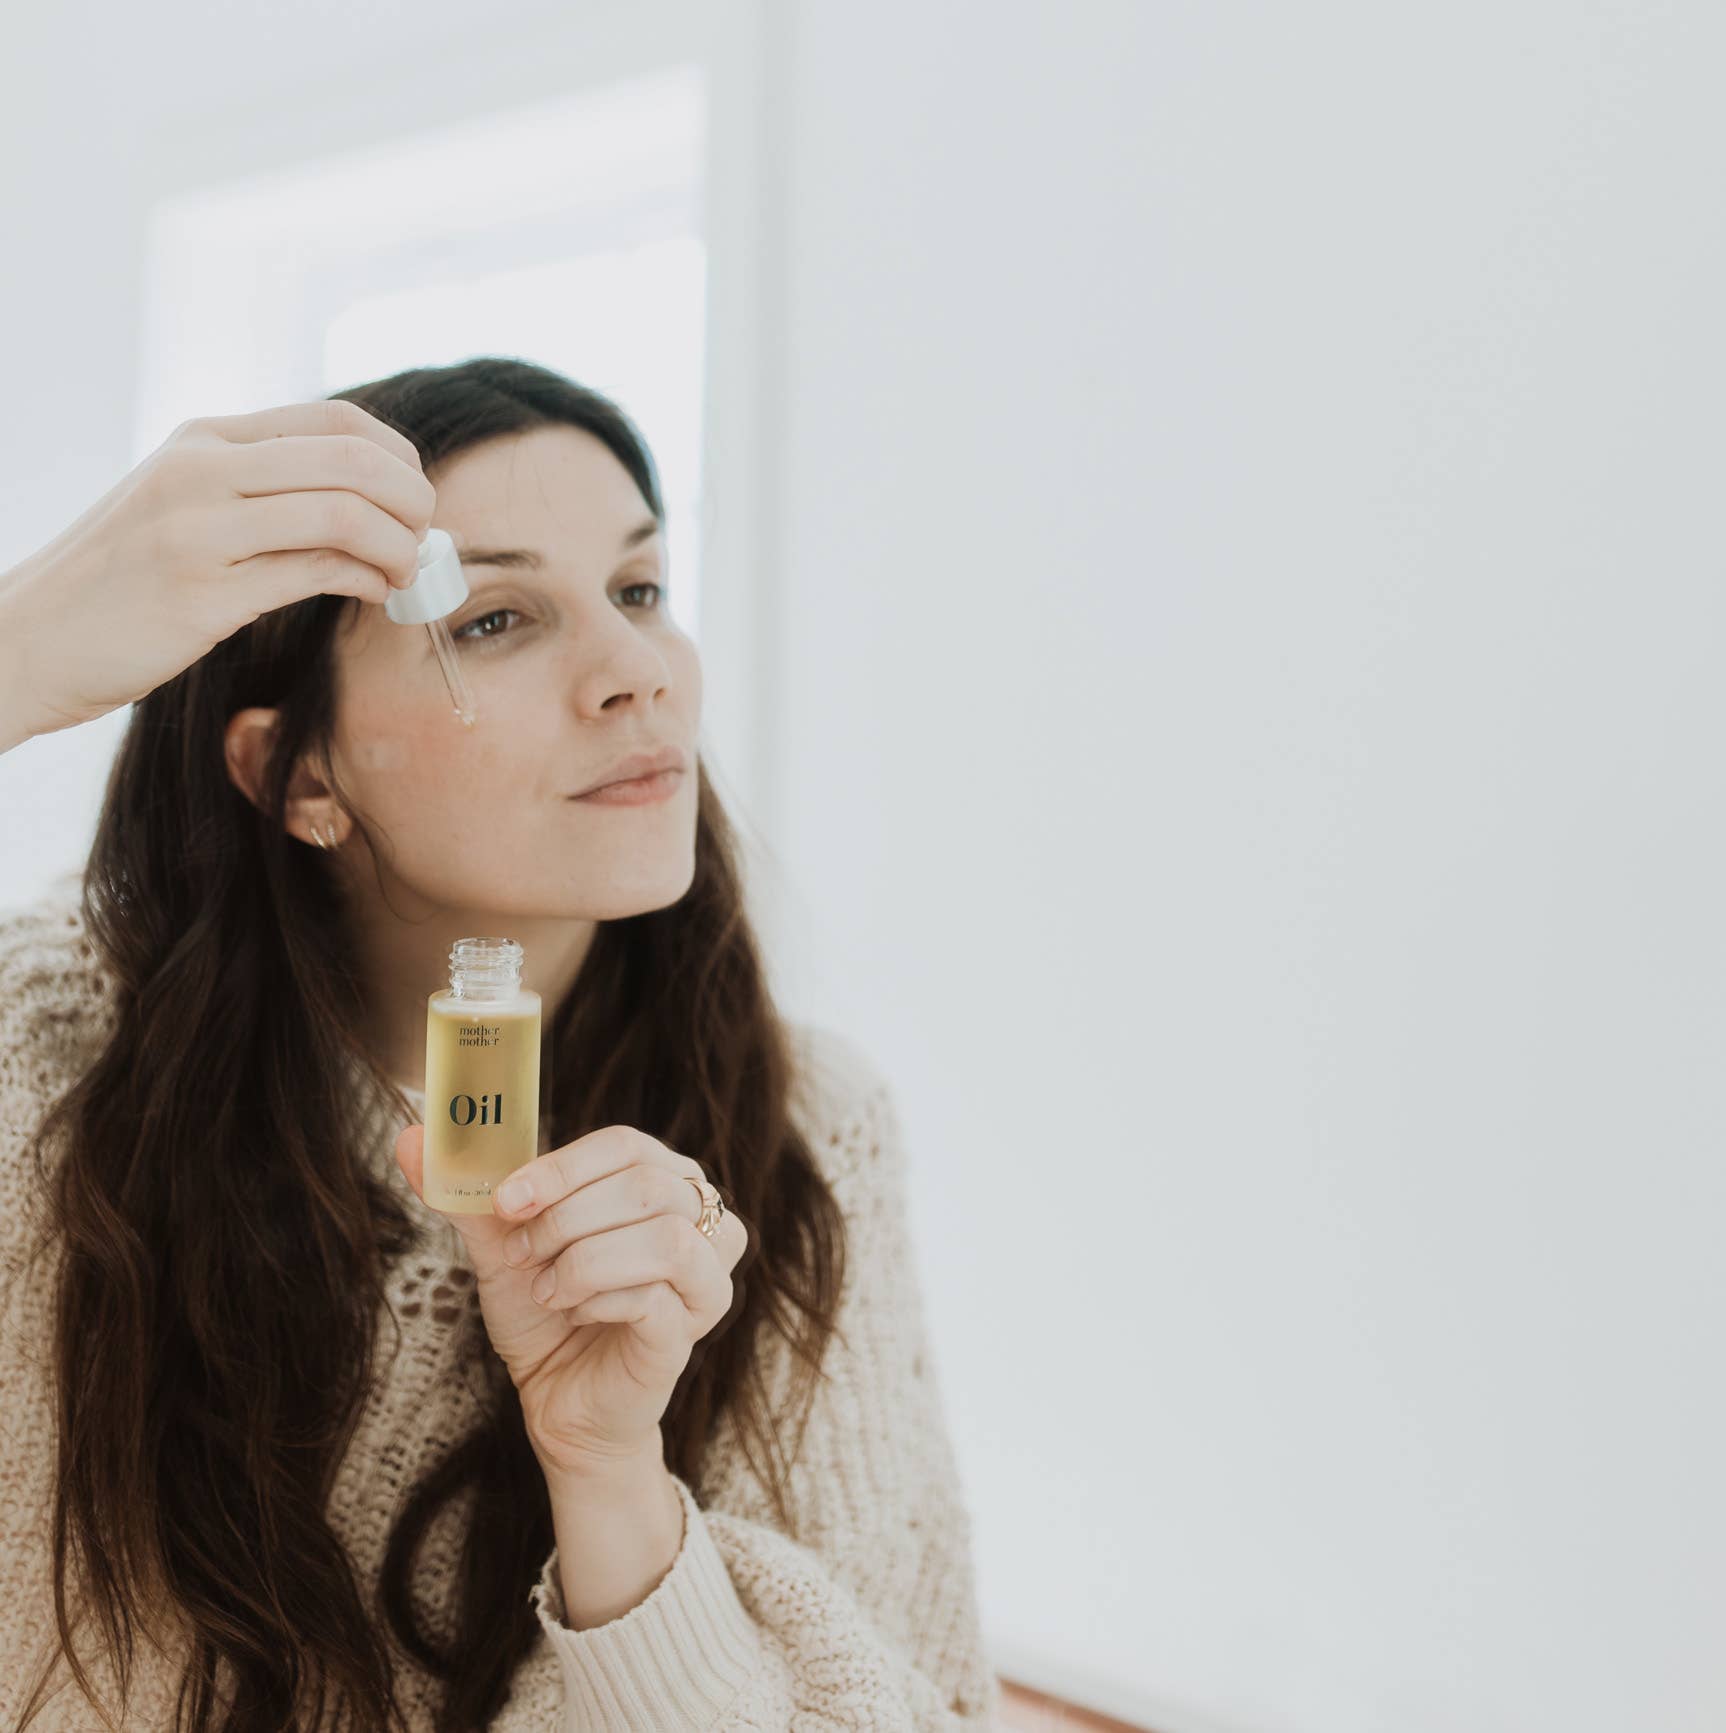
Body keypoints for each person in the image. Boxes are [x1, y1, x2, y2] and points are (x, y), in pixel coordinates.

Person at [0, 358, 1000, 1731]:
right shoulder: (46, 1060)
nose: (635, 673)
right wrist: (20, 650)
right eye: (495, 620)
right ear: (295, 775)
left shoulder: (802, 1127)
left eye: (640, 592)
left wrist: (610, 1484)